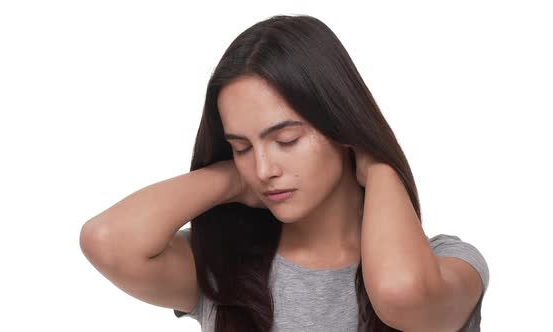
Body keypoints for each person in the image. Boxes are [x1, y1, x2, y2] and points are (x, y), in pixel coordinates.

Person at [80, 14, 489, 332]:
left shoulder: (447, 263)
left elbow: (402, 293)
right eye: (241, 147)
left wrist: (380, 168)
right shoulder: (224, 267)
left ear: (342, 127)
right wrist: (233, 179)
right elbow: (107, 240)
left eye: (286, 140)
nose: (263, 169)